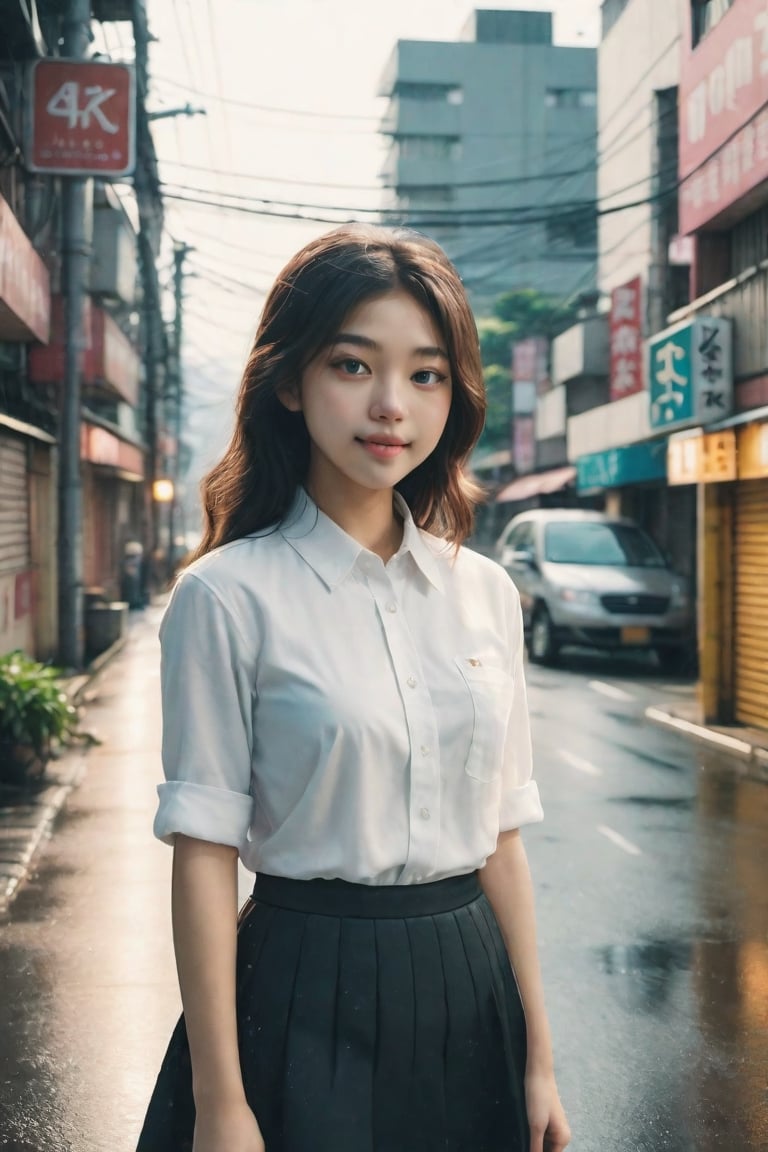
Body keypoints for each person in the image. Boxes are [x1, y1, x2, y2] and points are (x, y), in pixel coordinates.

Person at [136, 224, 571, 1152]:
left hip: (471, 990)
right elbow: (205, 854)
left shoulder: (486, 594)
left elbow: (501, 840)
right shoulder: (227, 596)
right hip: (299, 994)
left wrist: (539, 1059)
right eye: (352, 365)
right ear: (290, 383)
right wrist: (223, 1102)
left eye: (426, 374)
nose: (391, 406)